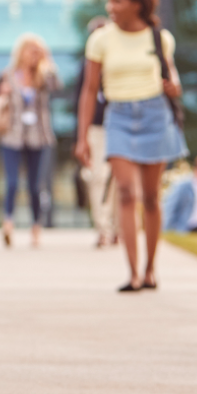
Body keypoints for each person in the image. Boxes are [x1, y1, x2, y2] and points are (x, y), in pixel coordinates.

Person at [74, 0, 188, 292]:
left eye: (117, 0)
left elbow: (172, 75)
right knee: (127, 192)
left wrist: (175, 86)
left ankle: (150, 269)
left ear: (137, 4)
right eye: (109, 0)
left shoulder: (159, 37)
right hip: (119, 116)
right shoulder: (100, 39)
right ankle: (133, 273)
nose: (110, 7)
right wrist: (82, 137)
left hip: (155, 114)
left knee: (151, 197)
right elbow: (88, 90)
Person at [0, 33, 60, 248]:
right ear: (21, 52)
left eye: (38, 51)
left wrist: (48, 59)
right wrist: (1, 94)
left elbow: (57, 85)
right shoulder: (6, 76)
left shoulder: (44, 76)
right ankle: (8, 223)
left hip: (39, 137)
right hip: (12, 137)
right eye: (31, 50)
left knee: (36, 185)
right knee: (12, 182)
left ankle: (36, 227)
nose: (34, 55)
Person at [72, 16, 118, 248]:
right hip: (96, 127)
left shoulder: (120, 59)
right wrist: (81, 138)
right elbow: (82, 99)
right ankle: (103, 229)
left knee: (121, 180)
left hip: (120, 125)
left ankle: (119, 227)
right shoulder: (87, 64)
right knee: (98, 178)